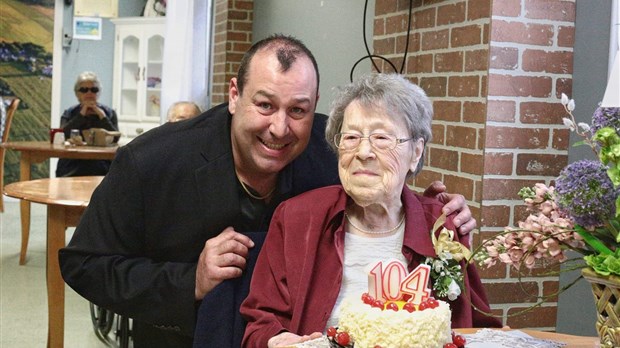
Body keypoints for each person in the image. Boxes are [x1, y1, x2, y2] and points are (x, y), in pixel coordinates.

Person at [59, 35, 476, 348]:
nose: (280, 128)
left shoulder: (332, 147)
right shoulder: (152, 162)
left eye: (298, 110)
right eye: (264, 105)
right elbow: (84, 264)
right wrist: (191, 281)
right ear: (234, 95)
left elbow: (381, 177)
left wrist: (432, 208)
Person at [240, 73, 501, 348]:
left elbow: (480, 330)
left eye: (381, 137)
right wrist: (275, 340)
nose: (363, 151)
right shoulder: (297, 219)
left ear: (416, 152)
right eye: (351, 137)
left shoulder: (442, 228)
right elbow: (260, 322)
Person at [56, 71, 119, 177]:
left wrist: (102, 117)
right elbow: (63, 135)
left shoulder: (108, 112)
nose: (89, 93)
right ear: (77, 94)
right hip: (72, 164)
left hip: (101, 165)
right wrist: (81, 115)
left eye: (94, 90)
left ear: (98, 93)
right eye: (84, 90)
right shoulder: (70, 112)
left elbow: (115, 138)